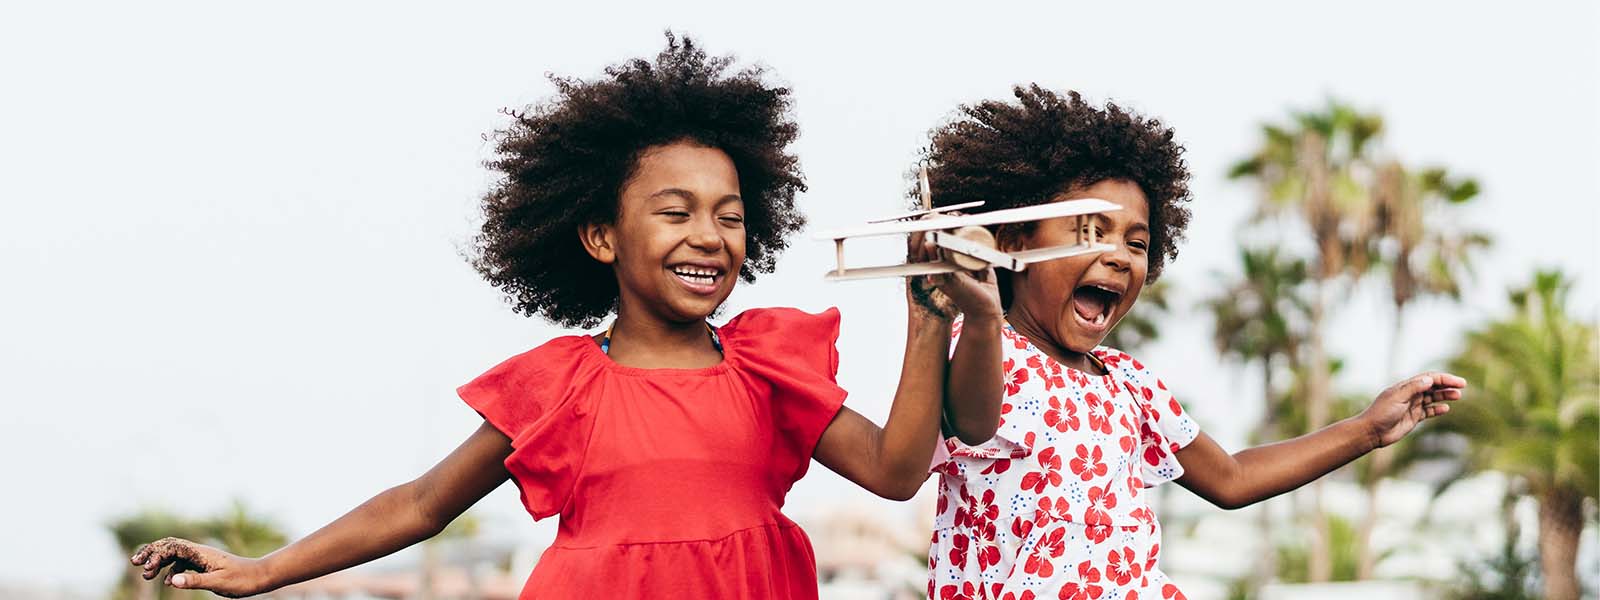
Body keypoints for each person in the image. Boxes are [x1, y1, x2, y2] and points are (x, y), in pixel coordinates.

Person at [130, 34, 1000, 599]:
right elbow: (424, 503)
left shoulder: (767, 366)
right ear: (598, 236)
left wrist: (928, 324)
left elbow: (895, 471)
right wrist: (263, 570)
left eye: (730, 215)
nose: (710, 236)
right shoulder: (558, 390)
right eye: (675, 211)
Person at [922, 86, 1466, 600]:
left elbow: (1230, 478)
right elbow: (973, 420)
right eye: (1089, 233)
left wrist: (1368, 428)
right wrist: (983, 308)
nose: (1118, 255)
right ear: (1014, 241)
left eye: (1137, 242)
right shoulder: (981, 343)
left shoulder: (1128, 383)